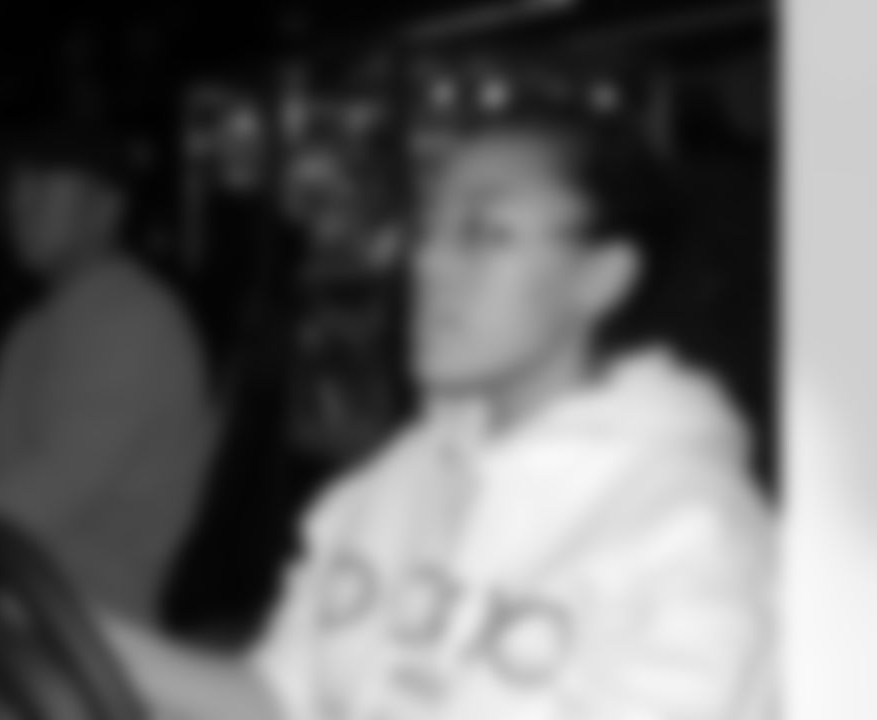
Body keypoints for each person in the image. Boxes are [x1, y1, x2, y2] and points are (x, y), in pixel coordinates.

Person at [97, 105, 776, 720]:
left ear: (600, 278)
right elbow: (282, 698)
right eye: (426, 229)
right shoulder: (404, 474)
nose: (426, 262)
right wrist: (69, 632)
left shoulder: (693, 535)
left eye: (483, 233)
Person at [0, 129, 214, 625]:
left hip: (81, 624)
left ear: (106, 208)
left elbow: (49, 488)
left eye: (43, 181)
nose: (17, 201)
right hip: (10, 600)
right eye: (15, 181)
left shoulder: (132, 319)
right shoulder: (39, 326)